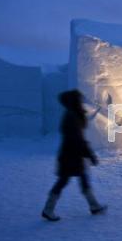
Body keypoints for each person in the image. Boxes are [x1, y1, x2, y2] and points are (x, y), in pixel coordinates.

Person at [41, 90, 107, 221]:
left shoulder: (73, 114)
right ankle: (48, 210)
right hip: (70, 156)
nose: (82, 102)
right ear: (74, 101)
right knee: (64, 181)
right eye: (79, 99)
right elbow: (78, 139)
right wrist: (90, 154)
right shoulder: (72, 116)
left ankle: (94, 206)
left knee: (80, 179)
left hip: (71, 155)